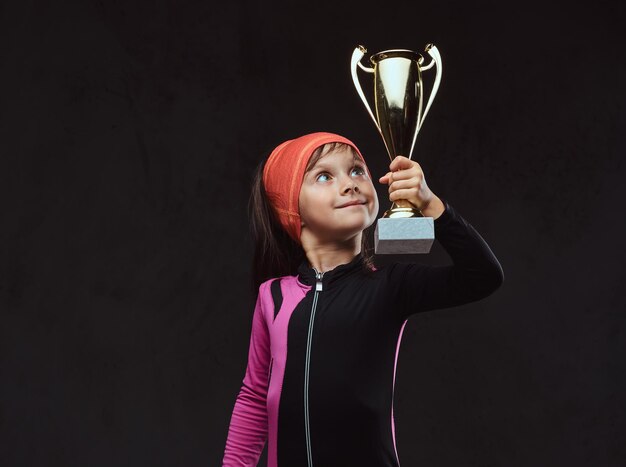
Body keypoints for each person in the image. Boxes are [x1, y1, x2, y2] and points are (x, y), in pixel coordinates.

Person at [222, 131, 504, 467]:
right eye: (324, 176)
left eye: (357, 171)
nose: (350, 184)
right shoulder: (274, 296)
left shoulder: (391, 286)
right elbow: (254, 398)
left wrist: (431, 205)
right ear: (290, 209)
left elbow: (483, 276)